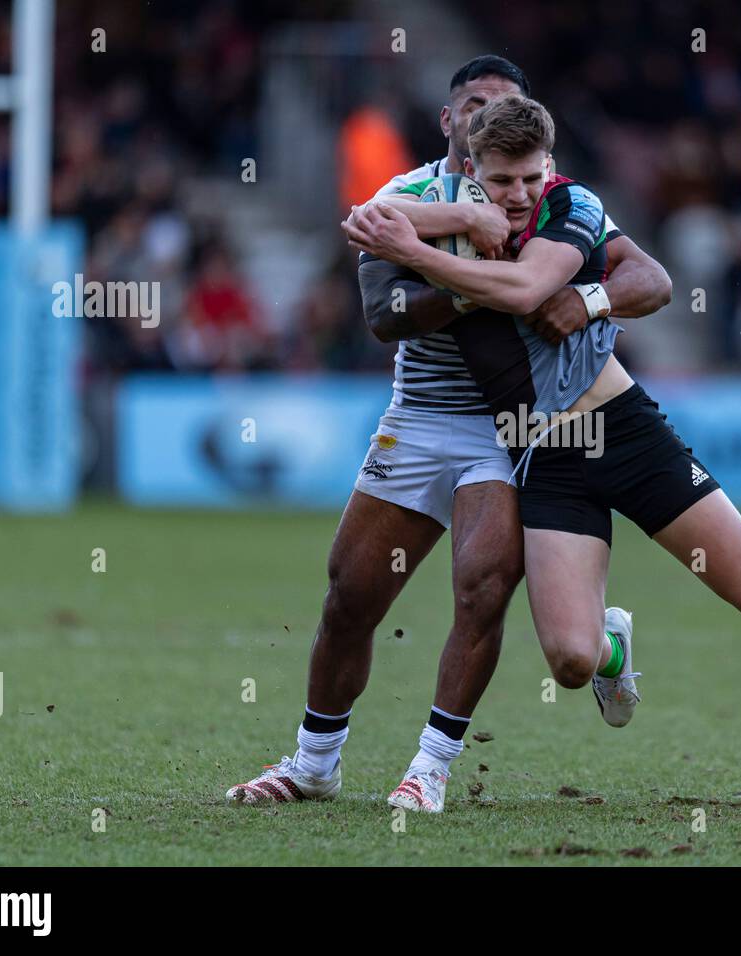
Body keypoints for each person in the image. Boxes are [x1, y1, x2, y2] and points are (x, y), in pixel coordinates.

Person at [344, 94, 741, 747]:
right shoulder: (450, 208)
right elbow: (366, 216)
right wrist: (439, 222)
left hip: (621, 428)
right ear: (472, 173)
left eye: (532, 176)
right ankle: (614, 643)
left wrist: (421, 252)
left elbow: (531, 290)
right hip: (543, 455)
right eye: (501, 183)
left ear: (549, 164)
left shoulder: (571, 206)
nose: (520, 194)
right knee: (573, 662)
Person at [226, 57, 671, 814]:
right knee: (350, 595)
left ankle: (429, 768)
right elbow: (381, 312)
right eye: (475, 105)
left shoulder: (558, 201)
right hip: (420, 419)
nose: (489, 117)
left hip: (511, 427)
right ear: (450, 120)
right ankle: (313, 764)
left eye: (506, 106)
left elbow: (647, 278)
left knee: (483, 586)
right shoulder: (409, 195)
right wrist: (467, 258)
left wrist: (588, 298)